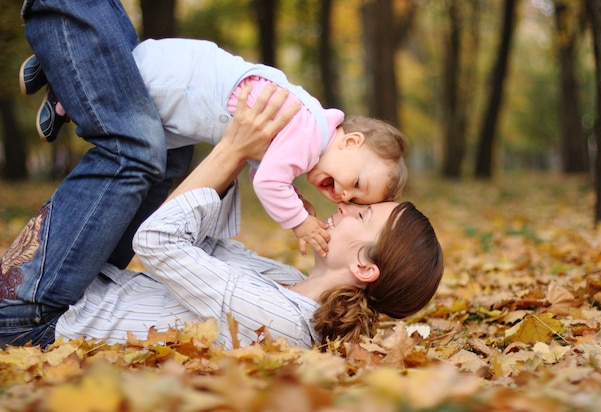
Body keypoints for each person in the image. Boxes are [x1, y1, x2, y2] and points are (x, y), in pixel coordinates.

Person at [53, 89, 444, 351]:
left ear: (364, 265)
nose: (342, 204)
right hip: (85, 286)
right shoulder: (292, 283)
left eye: (361, 213)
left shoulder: (279, 319)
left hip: (51, 315)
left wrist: (235, 149)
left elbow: (157, 242)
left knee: (135, 151)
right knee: (157, 137)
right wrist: (264, 156)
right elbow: (205, 246)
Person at [20, 38, 410, 257]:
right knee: (122, 91)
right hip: (186, 83)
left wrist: (292, 195)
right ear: (351, 141)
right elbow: (269, 182)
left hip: (187, 97)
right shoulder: (310, 134)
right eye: (356, 182)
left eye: (354, 201)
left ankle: (61, 91)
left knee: (123, 109)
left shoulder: (310, 129)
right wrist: (300, 222)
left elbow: (263, 164)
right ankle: (60, 60)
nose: (344, 195)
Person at [1, 0, 194, 349]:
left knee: (167, 151)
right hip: (35, 314)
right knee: (135, 149)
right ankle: (67, 56)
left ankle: (68, 62)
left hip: (62, 307)